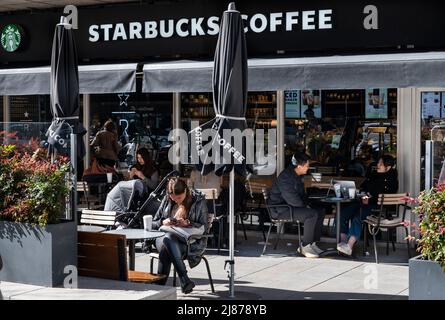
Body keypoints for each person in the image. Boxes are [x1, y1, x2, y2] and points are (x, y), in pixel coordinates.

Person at [151, 178, 208, 294]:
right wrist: (163, 222)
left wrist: (188, 223)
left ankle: (159, 287)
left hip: (188, 243)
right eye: (173, 198)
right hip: (162, 238)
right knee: (168, 239)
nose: (176, 200)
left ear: (186, 191)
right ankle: (184, 279)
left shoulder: (197, 201)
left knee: (167, 246)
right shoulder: (167, 199)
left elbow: (204, 227)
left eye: (179, 198)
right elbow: (154, 222)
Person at [337, 154, 399, 256]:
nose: (377, 165)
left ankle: (349, 245)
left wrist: (369, 200)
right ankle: (342, 243)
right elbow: (363, 187)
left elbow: (383, 197)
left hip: (377, 208)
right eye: (378, 163)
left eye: (380, 164)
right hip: (362, 202)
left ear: (388, 167)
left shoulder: (391, 180)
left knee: (358, 216)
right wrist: (363, 194)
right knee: (343, 213)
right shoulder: (373, 175)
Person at [268, 152, 325, 258]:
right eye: (307, 166)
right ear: (299, 166)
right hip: (280, 209)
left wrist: (309, 202)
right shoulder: (286, 177)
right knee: (311, 214)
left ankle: (313, 243)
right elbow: (292, 199)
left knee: (319, 211)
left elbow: (301, 195)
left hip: (290, 207)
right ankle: (305, 246)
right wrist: (306, 206)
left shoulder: (297, 175)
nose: (308, 168)